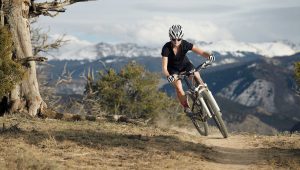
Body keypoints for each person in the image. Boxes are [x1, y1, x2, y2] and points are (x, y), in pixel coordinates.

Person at [161, 24, 215, 116]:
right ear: (170, 38)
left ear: (181, 38)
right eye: (173, 39)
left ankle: (205, 96)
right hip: (173, 69)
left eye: (179, 39)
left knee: (196, 75)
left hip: (186, 65)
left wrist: (209, 56)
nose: (176, 41)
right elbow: (164, 68)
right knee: (178, 86)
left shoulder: (185, 44)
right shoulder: (166, 48)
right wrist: (168, 76)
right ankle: (186, 107)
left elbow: (201, 52)